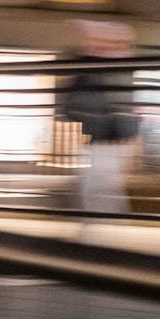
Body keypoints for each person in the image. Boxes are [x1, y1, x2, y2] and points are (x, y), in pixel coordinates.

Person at [62, 21, 140, 241]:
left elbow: (112, 102)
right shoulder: (107, 67)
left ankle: (105, 230)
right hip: (105, 135)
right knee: (99, 184)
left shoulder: (104, 67)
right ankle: (108, 230)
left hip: (107, 137)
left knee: (98, 184)